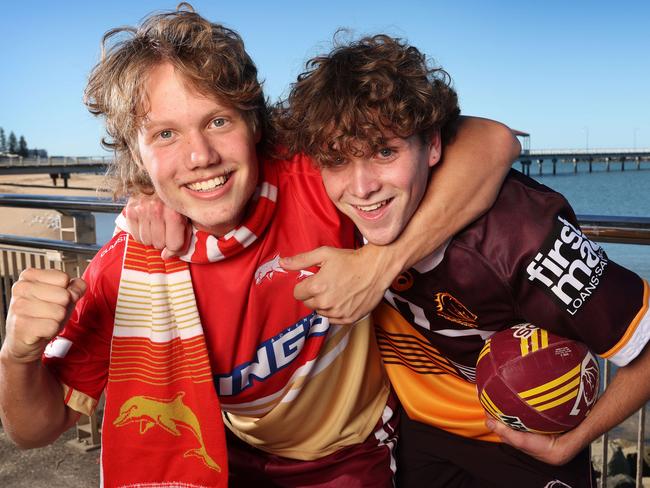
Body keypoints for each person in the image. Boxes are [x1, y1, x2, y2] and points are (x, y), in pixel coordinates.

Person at [0, 5, 519, 488]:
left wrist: (380, 263)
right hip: (232, 452)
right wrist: (18, 357)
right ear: (136, 155)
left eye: (218, 121)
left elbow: (494, 142)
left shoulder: (313, 174)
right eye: (164, 135)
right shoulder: (127, 272)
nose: (200, 155)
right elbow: (35, 430)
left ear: (254, 123)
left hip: (355, 451)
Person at [275, 35, 650, 487]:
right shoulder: (335, 205)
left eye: (385, 152)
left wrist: (575, 440)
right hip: (416, 429)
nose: (362, 187)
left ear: (432, 146)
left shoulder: (524, 240)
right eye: (337, 160)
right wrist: (160, 200)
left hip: (523, 440)